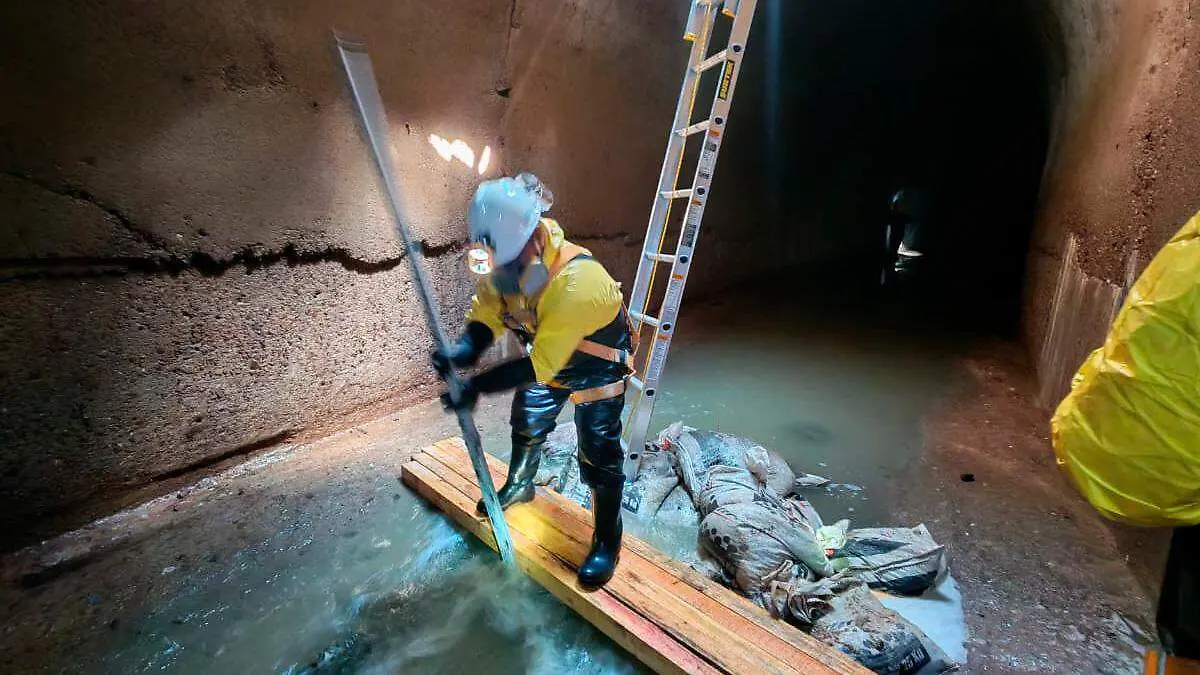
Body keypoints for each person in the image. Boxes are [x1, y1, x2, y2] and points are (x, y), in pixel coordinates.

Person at [432, 173, 634, 589]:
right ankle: (521, 484)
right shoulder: (502, 256)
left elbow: (539, 365)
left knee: (598, 450)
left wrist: (478, 387)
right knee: (528, 416)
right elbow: (489, 307)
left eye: (508, 259)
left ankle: (607, 539)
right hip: (549, 354)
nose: (500, 270)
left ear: (534, 236)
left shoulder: (576, 282)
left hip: (596, 361)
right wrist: (464, 351)